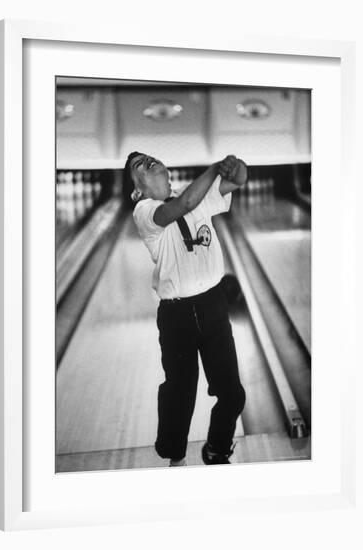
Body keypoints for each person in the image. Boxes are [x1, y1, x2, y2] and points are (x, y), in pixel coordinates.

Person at [124, 152, 247, 467]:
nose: (150, 162)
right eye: (140, 166)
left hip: (213, 307)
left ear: (167, 171)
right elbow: (185, 205)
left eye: (152, 159)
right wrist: (213, 168)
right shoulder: (145, 211)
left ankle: (217, 449)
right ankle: (175, 457)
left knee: (232, 394)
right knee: (179, 395)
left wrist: (236, 167)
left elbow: (236, 181)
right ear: (137, 191)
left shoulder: (193, 197)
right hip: (177, 316)